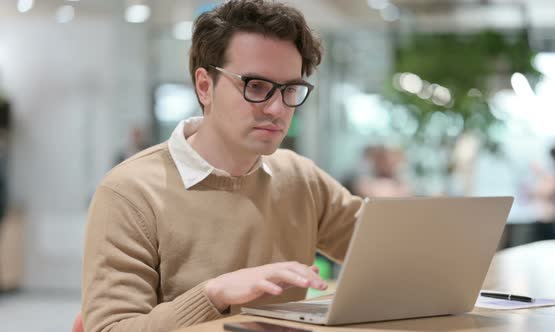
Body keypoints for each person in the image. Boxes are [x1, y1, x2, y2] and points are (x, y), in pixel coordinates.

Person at [81, 1, 362, 331]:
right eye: (255, 86)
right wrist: (213, 294)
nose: (277, 108)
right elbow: (111, 328)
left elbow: (389, 250)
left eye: (290, 90)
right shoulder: (130, 192)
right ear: (204, 86)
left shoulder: (300, 177)